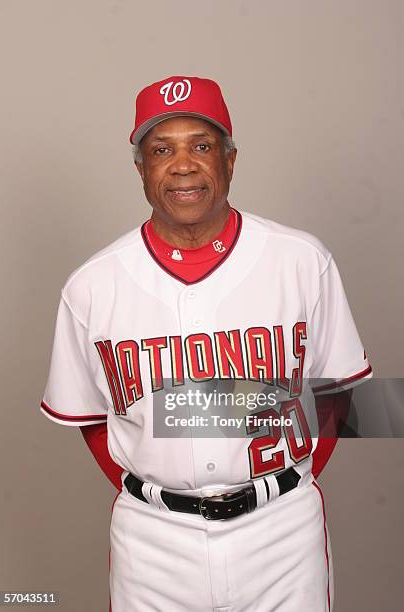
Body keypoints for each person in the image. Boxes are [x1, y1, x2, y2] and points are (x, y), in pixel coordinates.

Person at [40, 75, 372, 612]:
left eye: (202, 145)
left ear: (230, 160)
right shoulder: (91, 286)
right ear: (141, 170)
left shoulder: (301, 261)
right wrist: (159, 489)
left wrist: (285, 480)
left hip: (281, 533)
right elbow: (94, 423)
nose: (184, 164)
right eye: (161, 149)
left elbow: (338, 396)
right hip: (152, 542)